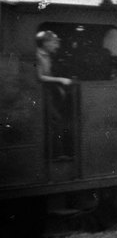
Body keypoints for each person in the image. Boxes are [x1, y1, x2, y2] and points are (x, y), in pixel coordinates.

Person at [35, 30, 73, 158]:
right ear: (45, 43)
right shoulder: (38, 56)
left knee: (57, 120)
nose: (56, 45)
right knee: (55, 121)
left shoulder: (47, 55)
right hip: (41, 95)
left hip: (49, 93)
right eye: (54, 42)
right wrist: (60, 80)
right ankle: (57, 154)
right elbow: (40, 77)